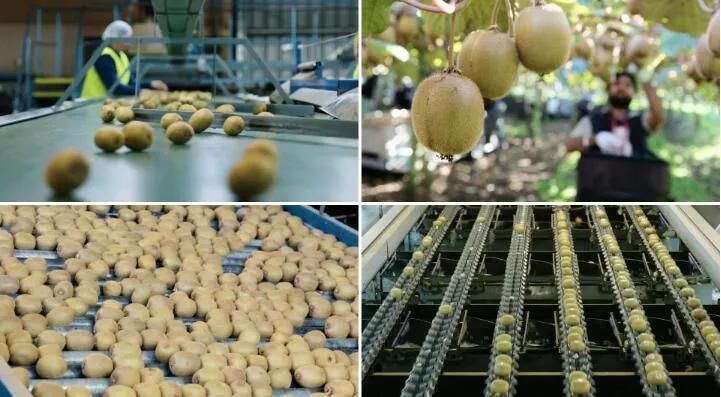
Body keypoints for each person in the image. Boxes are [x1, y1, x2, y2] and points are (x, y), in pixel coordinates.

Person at [564, 71, 665, 157]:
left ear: (634, 92)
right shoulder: (593, 118)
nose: (621, 88)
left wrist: (647, 82)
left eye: (627, 85)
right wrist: (595, 139)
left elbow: (658, 118)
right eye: (616, 83)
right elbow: (568, 146)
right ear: (608, 89)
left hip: (635, 177)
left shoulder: (640, 119)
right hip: (601, 177)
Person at [81, 20, 167, 98]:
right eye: (126, 39)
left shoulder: (122, 55)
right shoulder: (103, 56)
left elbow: (130, 83)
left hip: (109, 103)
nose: (129, 43)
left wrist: (151, 84)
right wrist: (141, 92)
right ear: (116, 38)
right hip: (92, 103)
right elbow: (115, 88)